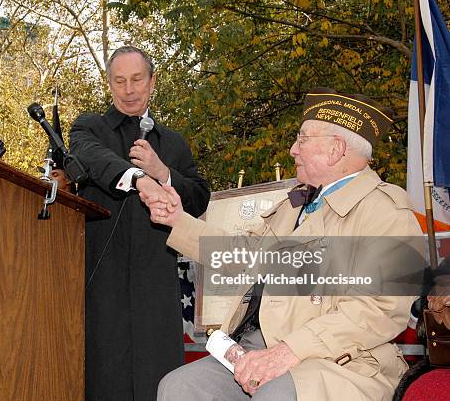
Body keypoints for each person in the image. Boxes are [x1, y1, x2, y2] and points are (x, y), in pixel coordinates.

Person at [145, 87, 424, 401]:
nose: (292, 149)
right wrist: (176, 219)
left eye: (302, 140)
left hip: (339, 361)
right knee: (180, 387)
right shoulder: (294, 206)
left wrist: (290, 350)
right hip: (260, 345)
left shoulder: (385, 211)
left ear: (335, 150)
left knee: (276, 395)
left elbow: (378, 309)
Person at [69, 45, 210, 401]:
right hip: (101, 277)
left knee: (160, 380)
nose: (129, 90)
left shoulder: (173, 142)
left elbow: (199, 197)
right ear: (109, 84)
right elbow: (90, 157)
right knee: (102, 376)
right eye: (119, 81)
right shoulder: (91, 127)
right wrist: (138, 178)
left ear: (152, 82)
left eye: (136, 80)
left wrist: (163, 172)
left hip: (156, 281)